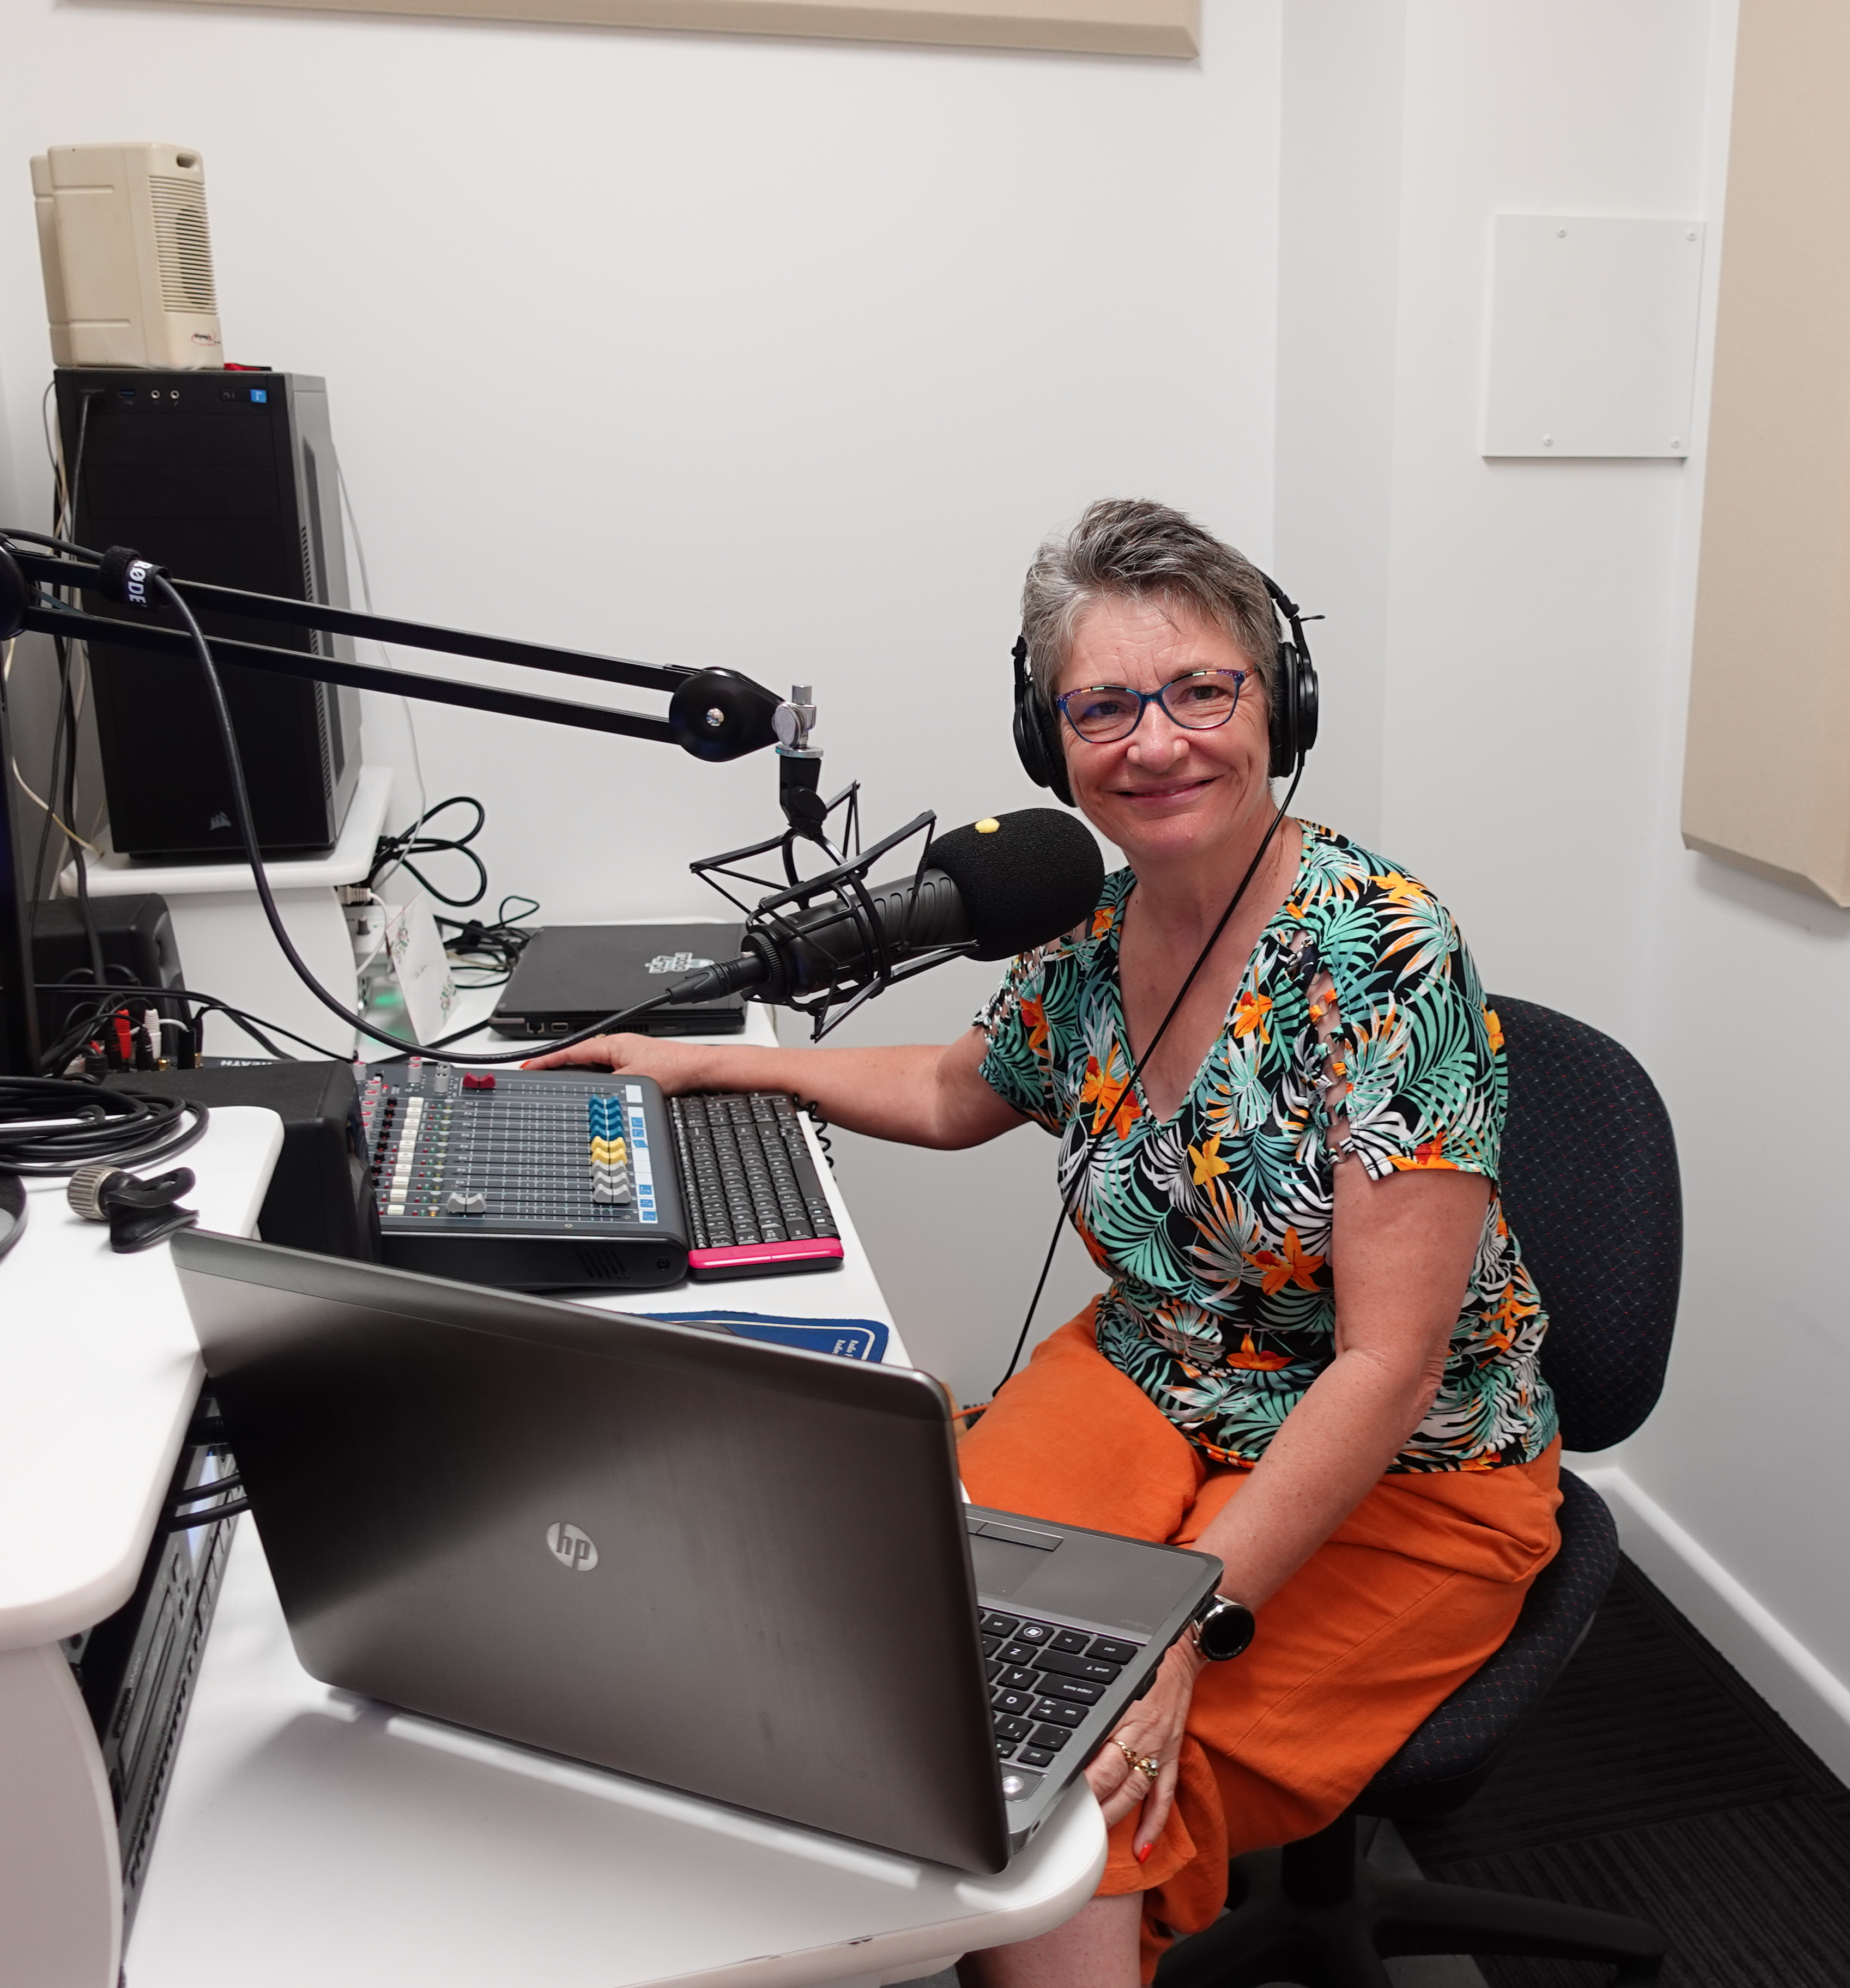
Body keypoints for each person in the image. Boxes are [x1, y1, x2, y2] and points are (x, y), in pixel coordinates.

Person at [530, 499, 1560, 1986]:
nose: (1157, 742)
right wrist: (716, 1064)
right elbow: (960, 1088)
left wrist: (1186, 1628)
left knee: (1083, 1790)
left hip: (1406, 1463)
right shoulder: (1090, 938)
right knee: (916, 1660)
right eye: (1105, 705)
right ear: (1048, 735)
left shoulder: (1382, 954)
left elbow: (1389, 1365)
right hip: (1154, 1372)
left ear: (1280, 704)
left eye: (1202, 689)